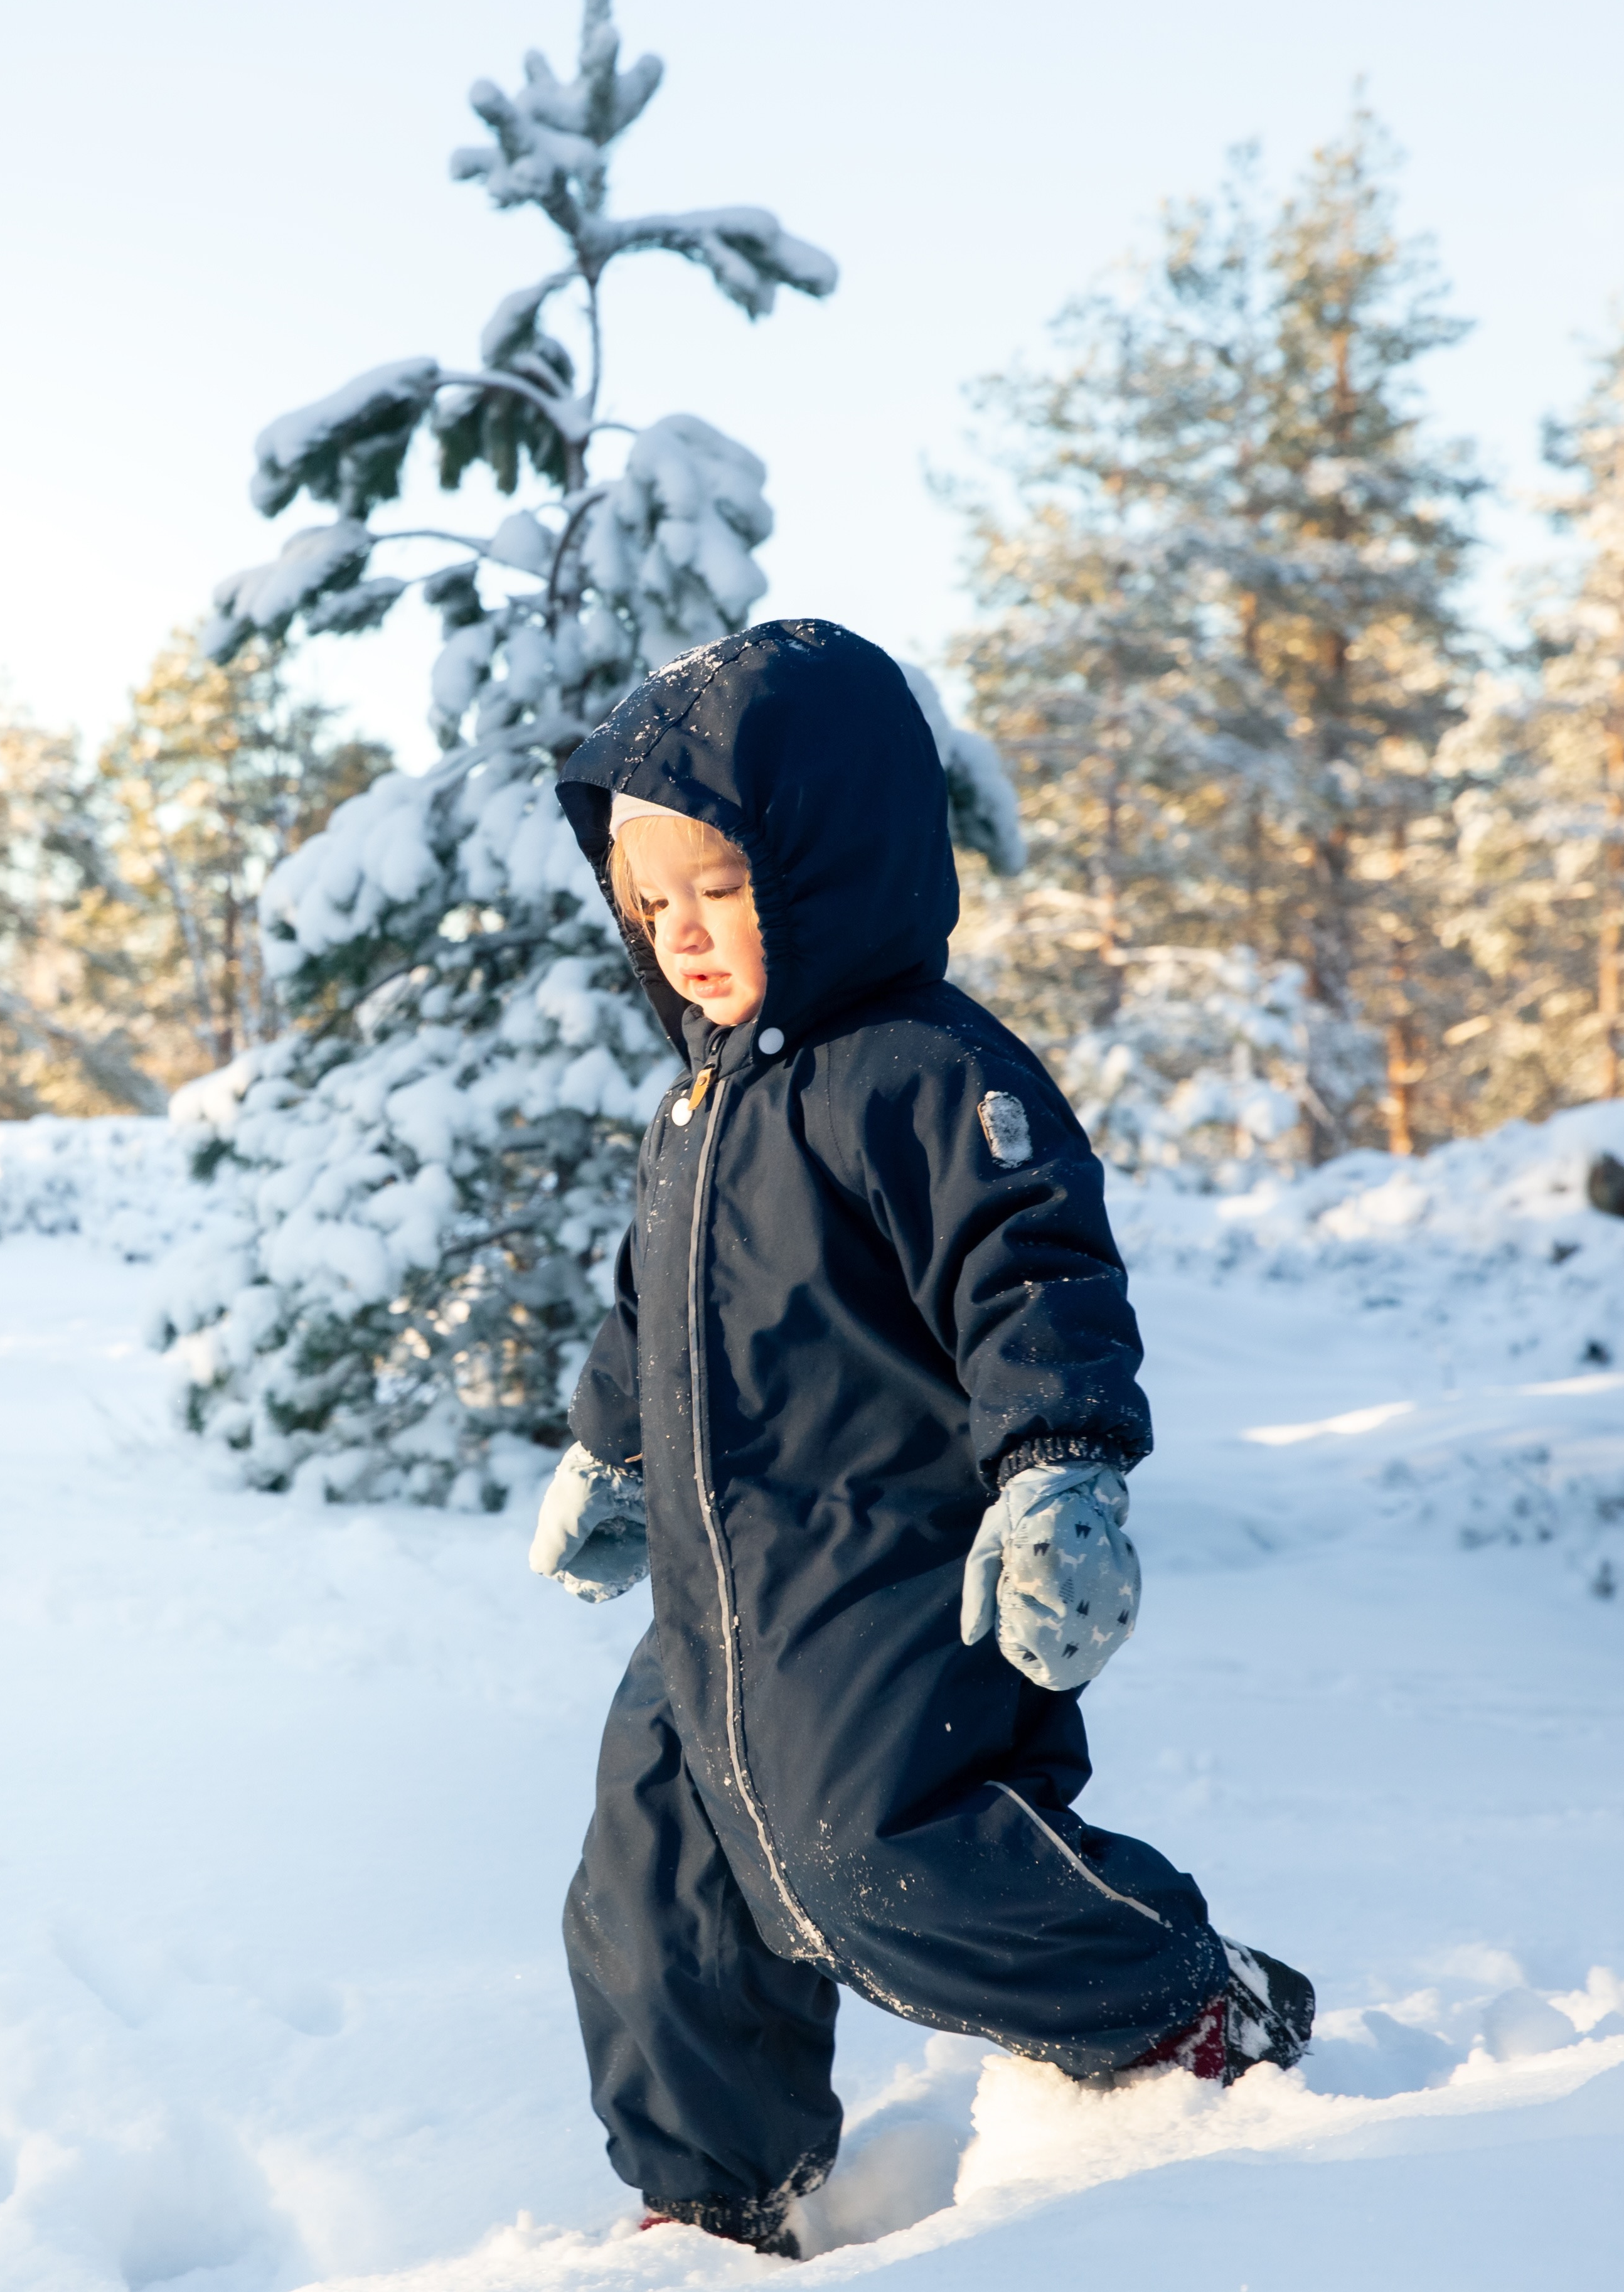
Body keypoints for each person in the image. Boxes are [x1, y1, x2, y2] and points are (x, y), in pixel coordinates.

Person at [527, 617, 1309, 2259]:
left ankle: (1179, 2005)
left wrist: (1060, 1468)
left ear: (823, 859)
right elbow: (645, 1313)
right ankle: (715, 2192)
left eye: (717, 892)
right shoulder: (695, 1109)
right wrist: (608, 1454)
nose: (681, 937)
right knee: (654, 1894)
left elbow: (1033, 1274)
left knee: (879, 1861)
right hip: (712, 1592)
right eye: (647, 902)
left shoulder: (931, 1075)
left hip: (889, 1577)